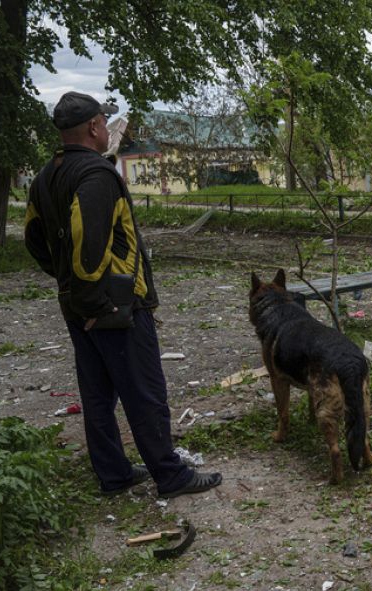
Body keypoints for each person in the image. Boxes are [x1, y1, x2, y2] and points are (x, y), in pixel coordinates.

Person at [25, 91, 222, 499]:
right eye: (104, 120)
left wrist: (64, 281)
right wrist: (98, 301)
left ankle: (113, 474)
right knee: (145, 391)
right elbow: (87, 244)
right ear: (95, 127)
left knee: (98, 395)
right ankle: (170, 475)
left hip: (77, 305)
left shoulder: (47, 175)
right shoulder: (97, 175)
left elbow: (34, 239)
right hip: (114, 307)